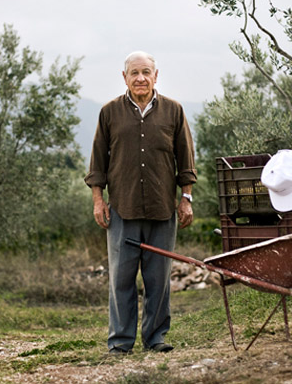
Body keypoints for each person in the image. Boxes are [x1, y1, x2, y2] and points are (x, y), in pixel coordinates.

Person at [85, 51, 197, 355]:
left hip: (163, 209)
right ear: (125, 78)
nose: (140, 78)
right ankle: (120, 342)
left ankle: (155, 338)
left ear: (156, 75)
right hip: (122, 208)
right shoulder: (109, 113)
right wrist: (98, 201)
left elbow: (186, 159)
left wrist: (185, 198)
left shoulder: (174, 111)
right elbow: (97, 161)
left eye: (146, 72)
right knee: (121, 279)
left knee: (158, 280)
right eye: (134, 73)